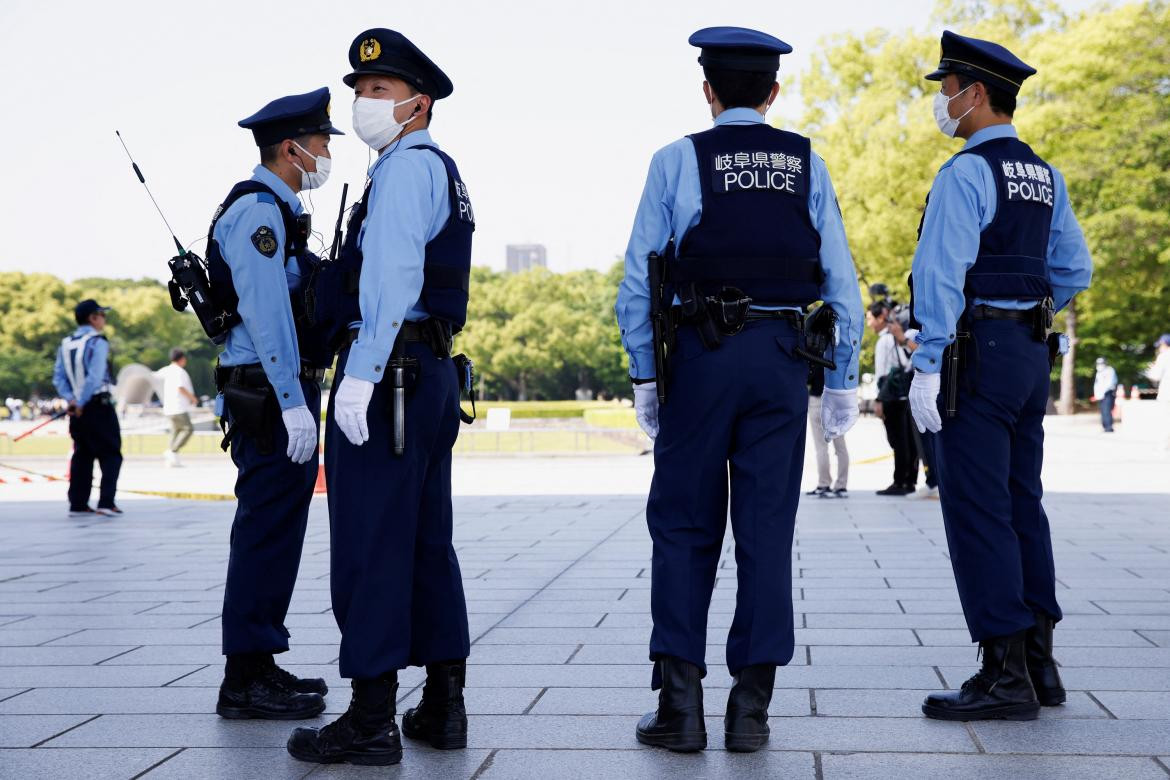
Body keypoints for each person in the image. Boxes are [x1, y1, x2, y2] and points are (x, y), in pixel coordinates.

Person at [614, 27, 862, 753]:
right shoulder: (807, 162)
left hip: (701, 355)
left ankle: (680, 709)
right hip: (783, 358)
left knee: (685, 527)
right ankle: (750, 712)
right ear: (774, 92)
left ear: (708, 90)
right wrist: (842, 379)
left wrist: (645, 377)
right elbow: (841, 283)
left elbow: (638, 281)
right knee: (765, 532)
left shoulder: (676, 159)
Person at [288, 29, 474, 767]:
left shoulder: (404, 170)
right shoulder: (439, 170)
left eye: (380, 91)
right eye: (360, 91)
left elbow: (392, 278)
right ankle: (443, 704)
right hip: (426, 375)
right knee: (428, 544)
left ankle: (370, 719)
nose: (365, 102)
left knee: (370, 545)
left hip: (390, 373)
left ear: (417, 103)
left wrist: (359, 375)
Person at [907, 31, 1093, 721]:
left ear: (975, 93)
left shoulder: (965, 174)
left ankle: (1003, 672)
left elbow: (940, 274)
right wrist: (1030, 312)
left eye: (947, 90)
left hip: (975, 354)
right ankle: (1040, 662)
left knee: (978, 509)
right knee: (1022, 502)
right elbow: (1075, 270)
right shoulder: (1046, 176)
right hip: (1026, 354)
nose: (943, 102)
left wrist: (929, 360)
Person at [211, 87, 341, 722]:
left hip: (271, 388)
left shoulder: (277, 211)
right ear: (292, 148)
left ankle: (259, 661)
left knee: (278, 529)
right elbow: (267, 316)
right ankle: (243, 680)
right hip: (266, 393)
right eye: (320, 143)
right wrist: (294, 403)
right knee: (266, 530)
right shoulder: (261, 214)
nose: (324, 153)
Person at [52, 300, 123, 517]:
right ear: (92, 318)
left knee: (82, 454)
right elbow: (94, 377)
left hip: (76, 409)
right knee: (111, 454)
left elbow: (58, 377)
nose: (104, 319)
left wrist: (72, 400)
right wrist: (81, 402)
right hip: (97, 405)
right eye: (102, 314)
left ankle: (78, 504)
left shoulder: (65, 343)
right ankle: (106, 502)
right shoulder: (97, 341)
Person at [872, 303, 919, 495]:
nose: (869, 323)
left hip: (890, 396)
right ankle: (909, 480)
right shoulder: (899, 338)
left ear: (880, 318)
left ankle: (899, 481)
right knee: (908, 440)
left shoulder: (884, 341)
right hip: (904, 394)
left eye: (869, 318)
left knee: (897, 441)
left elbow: (882, 372)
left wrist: (878, 399)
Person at [807, 365, 849, 498]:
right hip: (836, 400)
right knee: (840, 447)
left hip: (817, 400)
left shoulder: (814, 350)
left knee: (821, 447)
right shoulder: (840, 352)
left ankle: (824, 483)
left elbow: (807, 378)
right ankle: (841, 485)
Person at [155, 348, 198, 465]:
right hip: (179, 407)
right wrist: (192, 398)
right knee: (188, 429)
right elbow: (180, 387)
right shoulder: (179, 371)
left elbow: (154, 377)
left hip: (169, 407)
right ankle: (172, 451)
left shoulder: (166, 370)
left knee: (175, 431)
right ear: (182, 359)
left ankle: (172, 459)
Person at [1146, 334, 1170, 450]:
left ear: (1164, 344)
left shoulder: (1164, 356)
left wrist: (1151, 369)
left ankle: (1164, 445)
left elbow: (1155, 376)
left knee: (1166, 419)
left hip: (1167, 392)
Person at [1092, 357, 1118, 433]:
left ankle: (1109, 427)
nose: (1100, 365)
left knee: (1107, 410)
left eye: (1101, 363)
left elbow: (1110, 383)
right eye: (1099, 363)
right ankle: (1105, 426)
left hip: (1108, 393)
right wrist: (1097, 394)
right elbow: (1097, 384)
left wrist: (1103, 392)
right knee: (1103, 410)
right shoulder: (1099, 372)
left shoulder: (1109, 370)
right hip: (1100, 394)